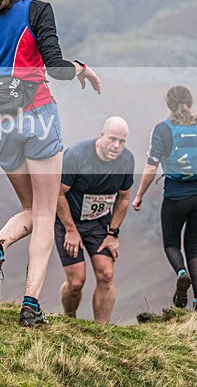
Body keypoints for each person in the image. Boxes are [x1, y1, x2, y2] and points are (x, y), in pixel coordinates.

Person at [0, 0, 102, 327]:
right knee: (44, 210)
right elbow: (57, 68)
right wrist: (82, 68)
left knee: (32, 208)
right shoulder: (38, 11)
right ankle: (30, 306)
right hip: (36, 115)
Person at [132, 85, 197, 312]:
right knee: (193, 246)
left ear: (168, 104)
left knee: (172, 244)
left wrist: (139, 195)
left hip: (175, 196)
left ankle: (181, 273)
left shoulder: (162, 129)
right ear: (190, 102)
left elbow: (151, 167)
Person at [55, 117, 134, 324]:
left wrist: (112, 233)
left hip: (98, 224)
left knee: (106, 275)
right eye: (112, 139)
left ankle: (102, 331)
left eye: (122, 142)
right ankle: (69, 321)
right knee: (76, 281)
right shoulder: (77, 155)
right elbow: (58, 194)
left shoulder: (126, 161)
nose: (117, 146)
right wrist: (71, 230)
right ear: (102, 135)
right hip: (68, 221)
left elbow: (124, 198)